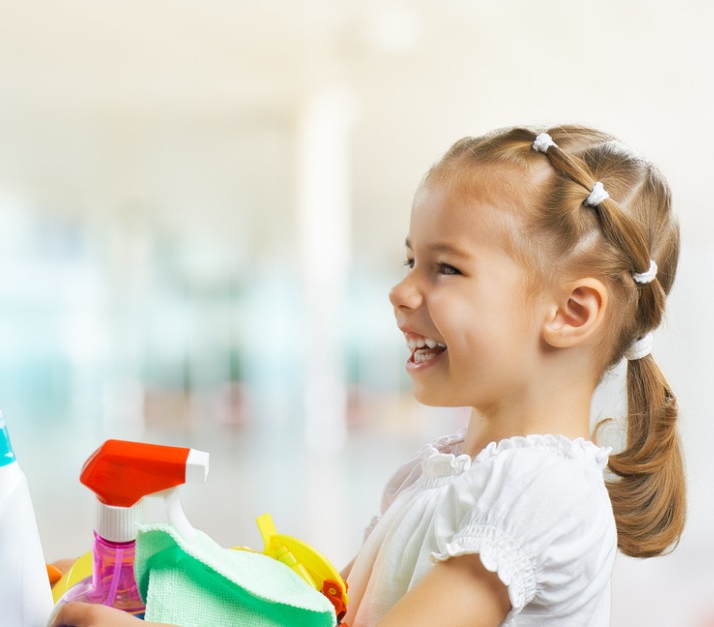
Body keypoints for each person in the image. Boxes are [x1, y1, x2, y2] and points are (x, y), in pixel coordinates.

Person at [51, 125, 685, 626]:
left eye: (447, 269)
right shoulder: (438, 476)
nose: (401, 291)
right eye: (412, 259)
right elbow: (322, 611)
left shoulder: (544, 495)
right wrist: (152, 579)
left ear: (571, 313)